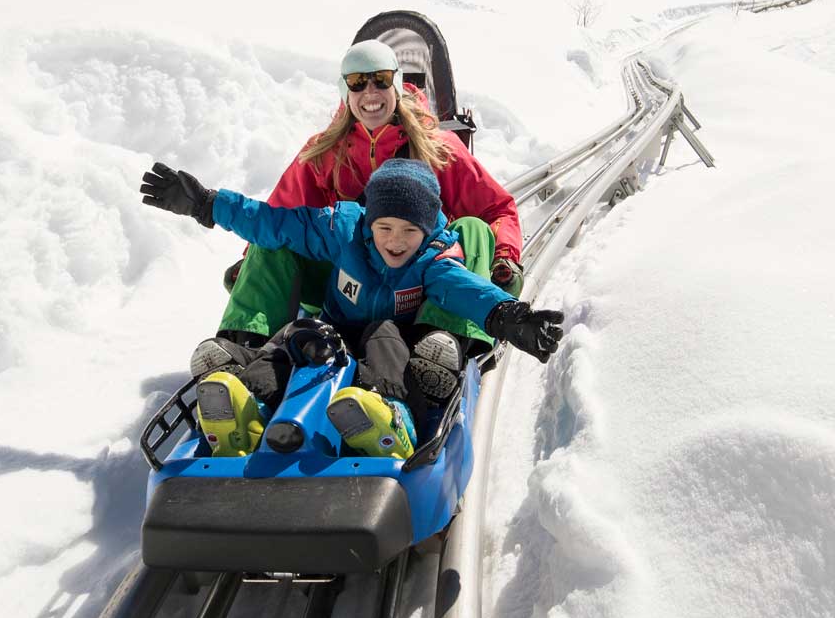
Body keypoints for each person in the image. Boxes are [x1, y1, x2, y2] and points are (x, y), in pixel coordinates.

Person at [141, 156, 563, 460]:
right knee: (291, 342)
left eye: (409, 231)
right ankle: (244, 405)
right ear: (368, 223)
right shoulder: (340, 230)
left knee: (383, 337)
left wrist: (512, 316)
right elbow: (274, 223)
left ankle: (391, 419)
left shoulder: (433, 258)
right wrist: (207, 205)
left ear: (428, 228)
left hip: (395, 342)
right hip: (335, 331)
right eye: (385, 228)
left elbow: (466, 288)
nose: (396, 241)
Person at [216, 38, 523, 354]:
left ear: (398, 84)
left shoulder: (438, 148)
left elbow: (496, 209)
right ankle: (243, 344)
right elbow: (280, 215)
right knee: (272, 238)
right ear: (345, 91)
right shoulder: (322, 153)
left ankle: (444, 342)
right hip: (344, 288)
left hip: (421, 287)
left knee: (472, 228)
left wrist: (503, 257)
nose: (370, 92)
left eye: (381, 79)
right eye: (358, 82)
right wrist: (249, 265)